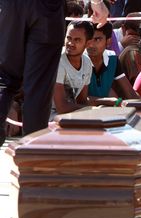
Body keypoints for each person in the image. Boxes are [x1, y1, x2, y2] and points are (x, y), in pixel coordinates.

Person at [0, 0, 109, 146]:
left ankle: (34, 151)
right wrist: (96, 2)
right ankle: (34, 154)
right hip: (46, 9)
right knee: (37, 87)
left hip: (12, 6)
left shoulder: (86, 63)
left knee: (5, 78)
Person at [86, 22, 139, 100]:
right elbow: (80, 100)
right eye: (88, 39)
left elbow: (130, 93)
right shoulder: (79, 59)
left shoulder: (112, 58)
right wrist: (109, 102)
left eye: (97, 39)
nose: (91, 44)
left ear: (108, 41)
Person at [52, 21, 94, 117]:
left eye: (77, 40)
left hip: (70, 117)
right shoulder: (57, 60)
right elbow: (61, 107)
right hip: (47, 118)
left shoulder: (87, 63)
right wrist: (92, 109)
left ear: (88, 43)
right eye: (68, 38)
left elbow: (81, 101)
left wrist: (104, 105)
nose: (70, 43)